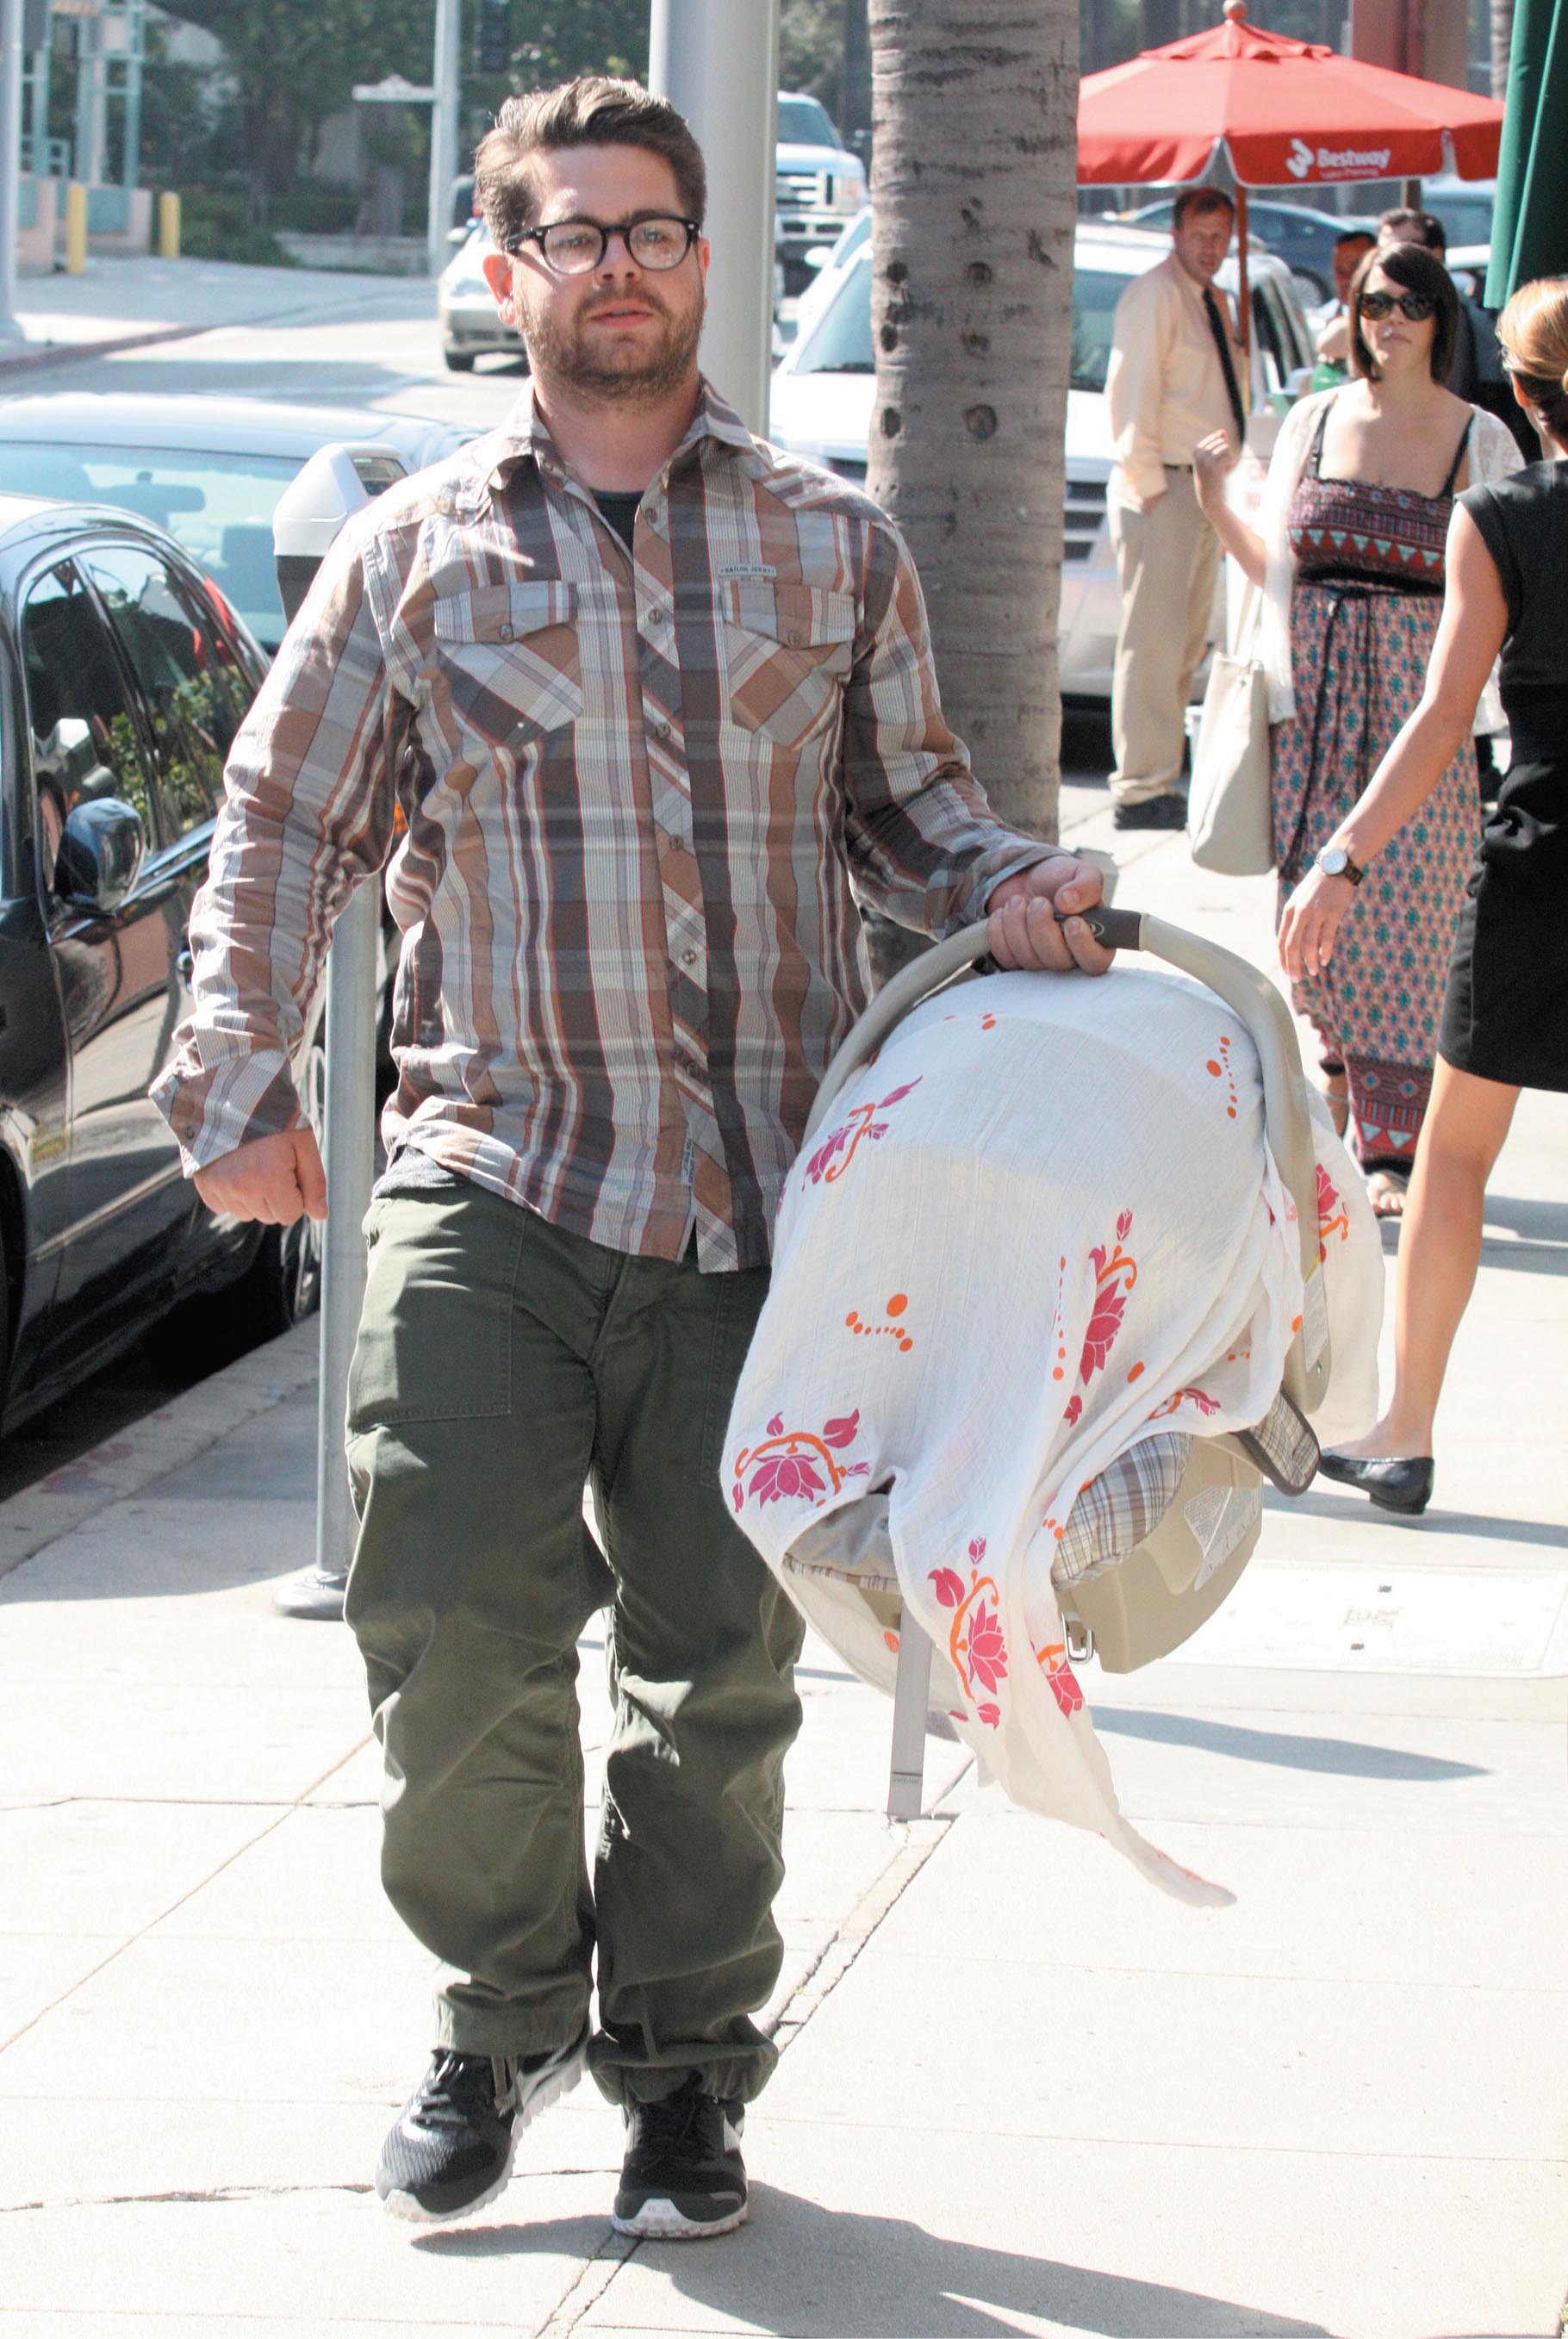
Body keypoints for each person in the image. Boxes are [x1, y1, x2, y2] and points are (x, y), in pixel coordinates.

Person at [150, 76, 1112, 2239]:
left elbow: (913, 820)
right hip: (488, 1172)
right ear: (507, 276)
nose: (615, 262)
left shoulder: (828, 540)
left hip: (766, 1207)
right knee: (449, 1620)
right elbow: (282, 824)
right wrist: (232, 1083)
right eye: (571, 232)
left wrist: (1020, 891)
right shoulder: (413, 555)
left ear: (709, 258)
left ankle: (684, 2066)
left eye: (652, 228)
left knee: (719, 1668)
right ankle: (495, 2015)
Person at [1277, 277, 1568, 1516]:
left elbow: (1447, 717)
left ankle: (1405, 1430)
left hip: (1542, 854)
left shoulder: (1500, 515)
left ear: (1524, 389)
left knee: (1450, 1155)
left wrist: (1341, 858)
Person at [1193, 239, 1521, 1216]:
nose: (1388, 320)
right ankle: (1340, 1097)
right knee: (1313, 927)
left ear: (1439, 319)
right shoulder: (1316, 416)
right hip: (1317, 715)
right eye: (1373, 301)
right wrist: (1217, 502)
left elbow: (1511, 586)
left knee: (1412, 927)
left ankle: (1390, 1150)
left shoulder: (1479, 438)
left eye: (1410, 304)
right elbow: (1280, 575)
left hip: (1423, 715)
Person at [1104, 185, 1247, 831]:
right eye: (1200, 235)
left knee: (1186, 642)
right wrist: (1148, 485)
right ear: (1176, 233)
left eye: (1221, 236)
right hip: (1162, 484)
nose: (1211, 248)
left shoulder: (1218, 299)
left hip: (1204, 488)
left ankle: (1161, 775)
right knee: (1152, 643)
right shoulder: (1155, 295)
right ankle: (1139, 786)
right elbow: (1131, 392)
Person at [1314, 228, 1376, 370]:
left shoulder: (1391, 317)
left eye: (1356, 268)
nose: (1346, 279)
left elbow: (1328, 343)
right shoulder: (1326, 315)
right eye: (1340, 271)